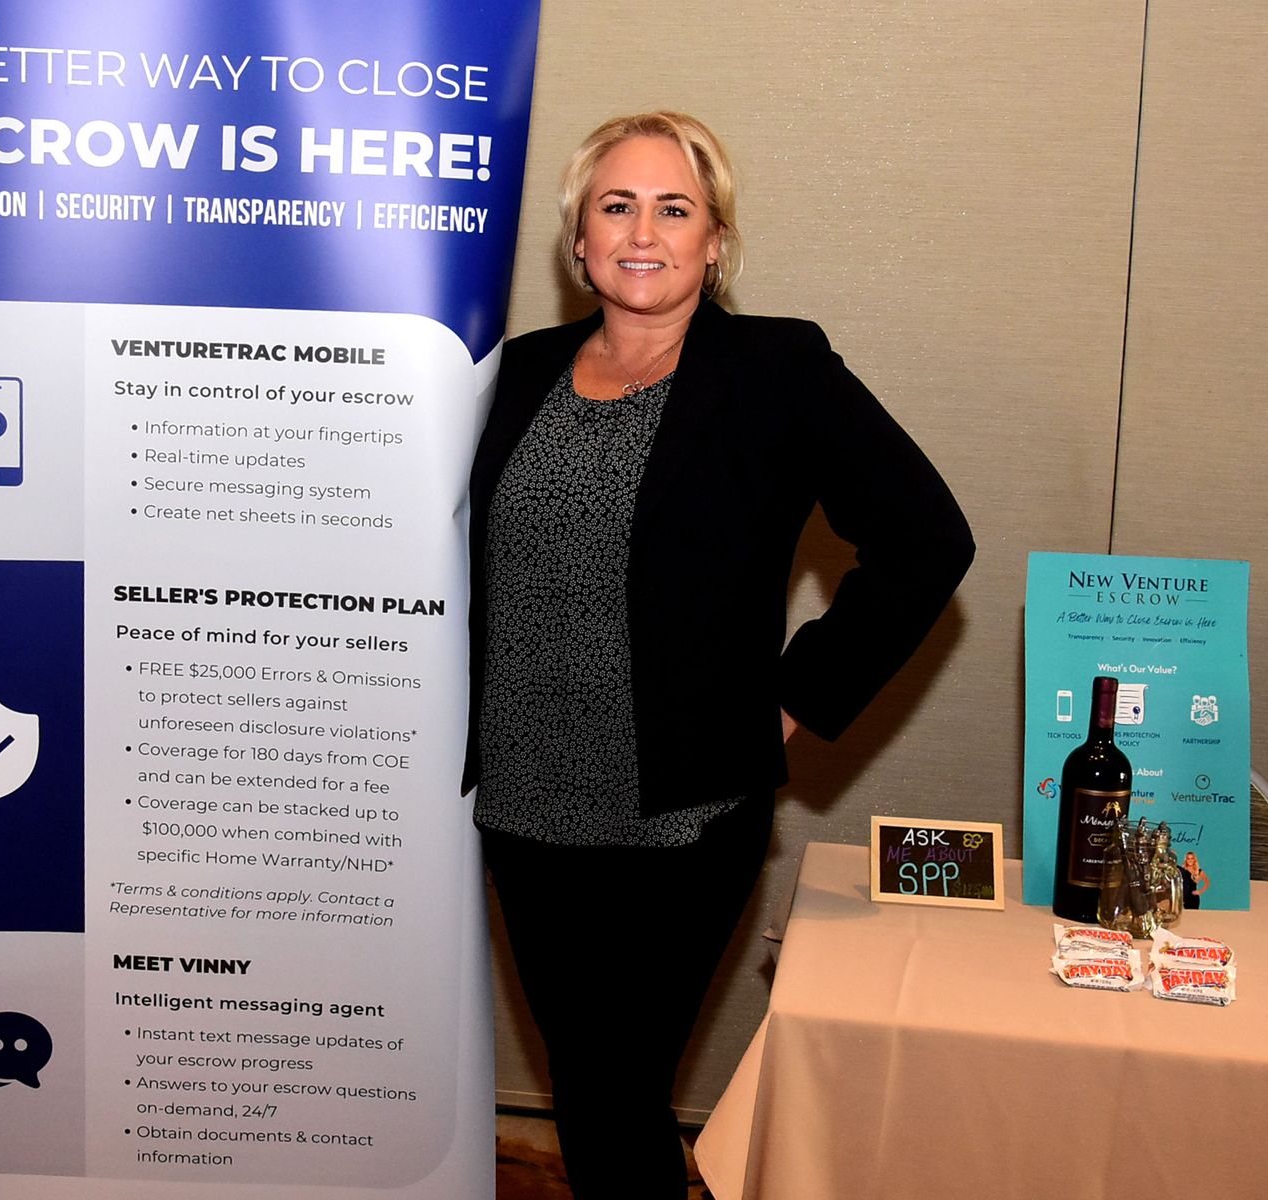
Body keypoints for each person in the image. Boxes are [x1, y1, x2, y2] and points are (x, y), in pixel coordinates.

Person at [464, 111, 975, 1198]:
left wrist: (791, 703)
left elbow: (927, 540)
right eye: (616, 206)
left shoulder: (775, 368)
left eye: (675, 208)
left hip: (680, 816)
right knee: (595, 1092)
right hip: (523, 807)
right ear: (579, 241)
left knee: (612, 1091)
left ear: (715, 242)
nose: (643, 231)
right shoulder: (519, 373)